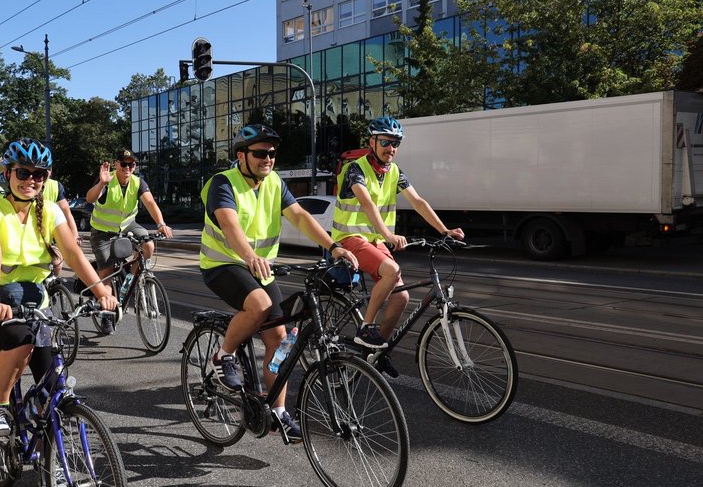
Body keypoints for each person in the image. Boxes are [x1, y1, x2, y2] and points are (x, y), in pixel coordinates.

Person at [199, 124, 358, 440]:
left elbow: (299, 216)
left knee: (280, 340)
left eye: (272, 153)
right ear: (241, 156)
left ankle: (280, 411)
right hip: (223, 264)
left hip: (260, 268)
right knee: (259, 305)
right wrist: (249, 256)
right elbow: (230, 225)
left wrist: (333, 246)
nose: (268, 158)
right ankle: (223, 355)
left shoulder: (273, 182)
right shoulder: (223, 183)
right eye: (260, 153)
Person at [0, 138, 116, 438]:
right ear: (7, 173)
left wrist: (103, 293)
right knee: (21, 340)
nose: (30, 180)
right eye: (23, 172)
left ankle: (48, 452)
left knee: (52, 385)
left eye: (39, 174)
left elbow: (73, 254)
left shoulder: (50, 211)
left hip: (35, 305)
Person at [332, 116, 464, 357]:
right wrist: (389, 235)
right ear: (372, 142)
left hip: (375, 241)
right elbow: (367, 203)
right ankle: (365, 328)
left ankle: (376, 352)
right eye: (385, 142)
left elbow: (418, 201)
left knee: (401, 297)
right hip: (350, 237)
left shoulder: (393, 171)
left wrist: (444, 230)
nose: (391, 148)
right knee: (392, 271)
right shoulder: (355, 169)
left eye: (395, 143)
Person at [86, 149, 173, 332]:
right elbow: (90, 198)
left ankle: (131, 278)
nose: (127, 168)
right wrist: (101, 183)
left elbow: (150, 203)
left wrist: (161, 223)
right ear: (116, 164)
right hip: (102, 231)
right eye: (124, 164)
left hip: (127, 225)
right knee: (107, 272)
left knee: (148, 245)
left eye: (131, 164)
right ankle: (107, 315)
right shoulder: (107, 178)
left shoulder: (138, 182)